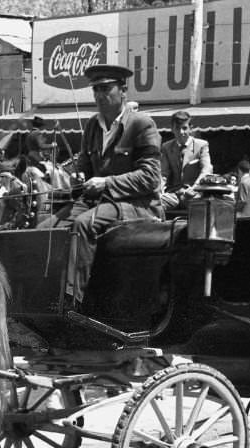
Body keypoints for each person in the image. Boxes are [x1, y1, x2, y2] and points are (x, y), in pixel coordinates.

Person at [62, 64, 163, 305]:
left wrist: (106, 183)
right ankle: (43, 296)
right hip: (98, 202)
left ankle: (71, 303)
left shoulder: (141, 124)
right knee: (48, 228)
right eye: (95, 89)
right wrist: (77, 180)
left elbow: (151, 178)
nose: (99, 95)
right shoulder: (92, 126)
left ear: (123, 91)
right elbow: (85, 171)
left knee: (83, 225)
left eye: (106, 88)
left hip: (138, 205)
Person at [159, 110, 212, 211]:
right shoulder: (166, 147)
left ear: (190, 129)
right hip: (174, 194)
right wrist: (159, 191)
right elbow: (163, 173)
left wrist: (194, 188)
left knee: (201, 209)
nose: (181, 132)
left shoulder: (201, 145)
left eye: (184, 128)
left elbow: (206, 170)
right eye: (177, 128)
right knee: (154, 204)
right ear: (172, 129)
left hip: (194, 194)